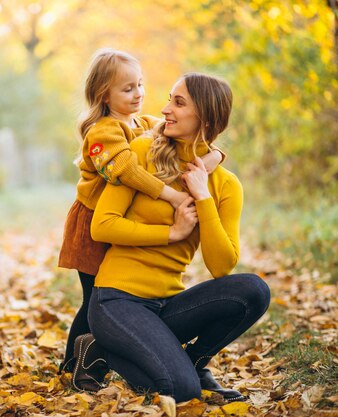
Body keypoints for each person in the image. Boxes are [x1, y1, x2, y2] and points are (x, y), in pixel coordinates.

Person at [72, 73, 271, 403]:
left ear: (206, 117)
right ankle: (101, 347)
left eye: (178, 103)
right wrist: (172, 233)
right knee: (183, 391)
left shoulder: (225, 185)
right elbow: (103, 226)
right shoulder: (140, 152)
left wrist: (203, 197)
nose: (165, 109)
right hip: (117, 300)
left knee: (253, 289)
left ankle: (193, 361)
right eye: (168, 99)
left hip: (166, 306)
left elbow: (222, 266)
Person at [58, 49, 225, 373]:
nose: (139, 94)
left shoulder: (146, 123)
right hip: (93, 220)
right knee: (94, 299)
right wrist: (172, 197)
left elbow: (187, 137)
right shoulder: (102, 131)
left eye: (140, 85)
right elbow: (126, 170)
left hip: (123, 217)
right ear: (104, 94)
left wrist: (214, 157)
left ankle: (111, 351)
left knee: (112, 293)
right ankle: (74, 365)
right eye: (128, 89)